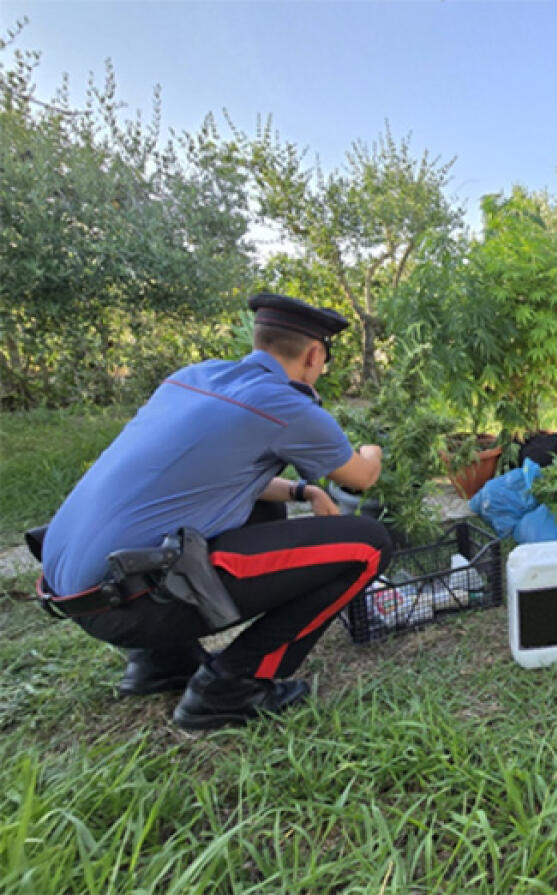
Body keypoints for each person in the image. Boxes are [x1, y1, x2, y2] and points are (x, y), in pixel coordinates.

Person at [34, 293, 394, 729]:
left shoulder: (193, 377)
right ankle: (232, 685)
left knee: (258, 511)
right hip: (130, 603)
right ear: (314, 354)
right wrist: (372, 450)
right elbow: (360, 478)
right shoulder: (286, 404)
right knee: (368, 545)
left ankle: (161, 662)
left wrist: (303, 492)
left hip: (74, 591)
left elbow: (212, 477)